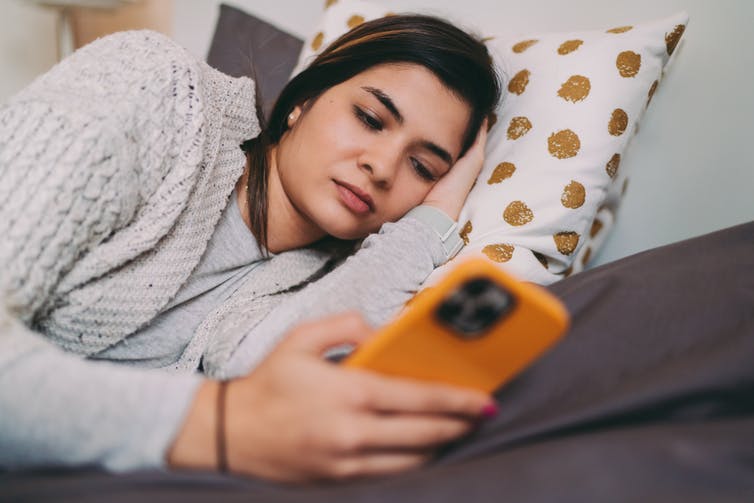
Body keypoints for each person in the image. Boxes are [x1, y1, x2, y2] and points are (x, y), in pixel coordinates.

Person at [0, 15, 502, 482]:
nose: (384, 166)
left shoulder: (314, 278)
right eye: (370, 118)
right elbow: (244, 420)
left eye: (423, 167)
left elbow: (271, 387)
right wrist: (219, 424)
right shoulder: (155, 87)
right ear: (303, 99)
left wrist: (430, 220)